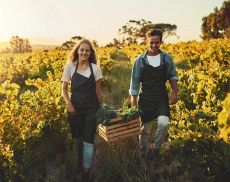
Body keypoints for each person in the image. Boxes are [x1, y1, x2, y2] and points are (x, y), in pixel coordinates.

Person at [129, 29, 178, 160]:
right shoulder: (139, 61)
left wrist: (174, 92)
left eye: (157, 42)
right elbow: (134, 84)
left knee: (164, 123)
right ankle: (143, 153)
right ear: (147, 42)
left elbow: (172, 76)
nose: (154, 45)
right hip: (145, 97)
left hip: (161, 96)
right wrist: (134, 104)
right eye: (151, 42)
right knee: (145, 129)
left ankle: (156, 149)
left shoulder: (167, 58)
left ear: (161, 42)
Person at [61, 39, 103, 181]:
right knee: (77, 139)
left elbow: (98, 92)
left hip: (91, 109)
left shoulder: (95, 69)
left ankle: (86, 171)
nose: (84, 52)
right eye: (82, 49)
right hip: (75, 109)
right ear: (77, 51)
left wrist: (101, 110)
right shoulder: (70, 67)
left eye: (87, 50)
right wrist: (69, 104)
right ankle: (78, 163)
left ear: (90, 53)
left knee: (88, 140)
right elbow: (64, 89)